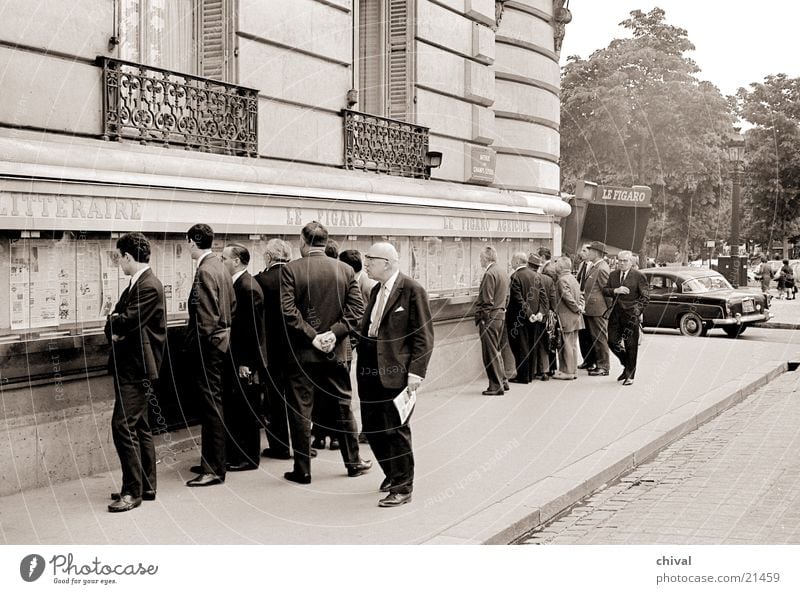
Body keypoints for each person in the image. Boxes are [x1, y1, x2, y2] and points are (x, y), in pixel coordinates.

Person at [280, 221, 371, 484]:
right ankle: (353, 462)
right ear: (325, 241)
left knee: (300, 410)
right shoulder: (344, 270)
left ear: (302, 241)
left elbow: (289, 312)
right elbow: (357, 310)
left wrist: (313, 336)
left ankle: (303, 470)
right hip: (336, 352)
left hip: (302, 354)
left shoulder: (291, 270)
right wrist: (334, 333)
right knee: (343, 406)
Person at [357, 242, 433, 507]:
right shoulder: (377, 289)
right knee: (373, 428)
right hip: (369, 370)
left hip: (397, 373)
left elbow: (423, 337)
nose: (366, 264)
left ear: (387, 262)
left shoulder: (412, 290)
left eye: (371, 259)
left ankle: (403, 487)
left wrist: (416, 373)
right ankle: (392, 473)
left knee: (395, 429)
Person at [105, 233, 166, 512]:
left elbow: (125, 320)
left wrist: (117, 324)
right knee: (139, 426)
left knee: (123, 425)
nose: (118, 263)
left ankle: (132, 491)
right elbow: (116, 322)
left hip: (137, 366)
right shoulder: (136, 284)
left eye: (119, 257)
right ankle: (146, 485)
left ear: (128, 257)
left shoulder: (148, 285)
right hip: (130, 364)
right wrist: (116, 324)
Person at [185, 223, 235, 487]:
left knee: (211, 407)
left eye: (188, 242)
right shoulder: (221, 268)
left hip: (208, 349)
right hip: (221, 344)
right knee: (216, 404)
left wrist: (204, 344)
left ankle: (213, 468)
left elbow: (205, 317)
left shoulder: (205, 270)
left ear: (194, 242)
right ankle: (214, 460)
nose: (188, 247)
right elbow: (232, 306)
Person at [221, 243, 267, 471]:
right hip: (238, 358)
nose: (222, 263)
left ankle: (248, 458)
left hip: (244, 361)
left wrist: (246, 363)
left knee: (246, 409)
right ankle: (236, 454)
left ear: (236, 260)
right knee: (238, 407)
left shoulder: (247, 288)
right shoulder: (240, 284)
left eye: (224, 258)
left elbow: (253, 331)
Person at [254, 239, 294, 460]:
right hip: (296, 348)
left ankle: (279, 446)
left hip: (270, 349)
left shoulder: (260, 281)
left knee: (274, 400)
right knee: (298, 399)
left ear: (268, 257)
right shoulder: (297, 276)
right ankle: (301, 445)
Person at [603, 250, 649, 386]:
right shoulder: (613, 275)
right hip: (615, 314)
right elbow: (605, 289)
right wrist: (615, 290)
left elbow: (645, 297)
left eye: (625, 261)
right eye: (620, 260)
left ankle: (630, 374)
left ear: (631, 262)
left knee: (631, 345)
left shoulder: (638, 276)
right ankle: (626, 364)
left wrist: (637, 311)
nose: (622, 263)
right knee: (611, 341)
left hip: (631, 316)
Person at [506, 252, 547, 384]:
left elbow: (518, 299)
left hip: (519, 319)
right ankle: (530, 374)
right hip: (535, 317)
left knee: (520, 346)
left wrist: (529, 314)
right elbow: (543, 297)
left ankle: (523, 376)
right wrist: (540, 313)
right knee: (532, 345)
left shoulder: (514, 277)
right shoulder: (536, 276)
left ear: (518, 262)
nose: (511, 262)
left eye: (512, 260)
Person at [475, 245, 510, 395]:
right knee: (497, 350)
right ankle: (503, 380)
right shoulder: (502, 272)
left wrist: (483, 318)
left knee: (490, 352)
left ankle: (495, 386)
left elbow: (486, 300)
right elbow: (507, 296)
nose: (480, 261)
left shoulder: (489, 274)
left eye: (481, 258)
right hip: (500, 315)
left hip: (490, 318)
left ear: (486, 258)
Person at [583, 241, 612, 377]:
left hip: (598, 309)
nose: (588, 252)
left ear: (596, 252)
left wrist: (608, 310)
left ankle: (603, 366)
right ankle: (598, 363)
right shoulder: (596, 266)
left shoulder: (601, 268)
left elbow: (606, 292)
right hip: (593, 308)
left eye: (590, 250)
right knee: (595, 337)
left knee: (600, 338)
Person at [552, 255, 584, 380]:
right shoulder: (573, 278)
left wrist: (576, 307)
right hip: (575, 317)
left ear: (560, 267)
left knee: (566, 345)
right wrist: (580, 307)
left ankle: (567, 371)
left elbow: (567, 297)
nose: (555, 266)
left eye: (556, 264)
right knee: (572, 345)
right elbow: (581, 295)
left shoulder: (562, 280)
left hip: (566, 317)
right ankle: (573, 370)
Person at [528, 252, 557, 380]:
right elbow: (553, 300)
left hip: (531, 316)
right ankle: (545, 370)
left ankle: (534, 370)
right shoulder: (548, 279)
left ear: (529, 265)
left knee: (533, 343)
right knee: (545, 343)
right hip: (545, 316)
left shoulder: (529, 278)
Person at [575, 245, 594, 368]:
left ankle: (593, 360)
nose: (581, 253)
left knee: (591, 333)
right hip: (580, 302)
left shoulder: (594, 266)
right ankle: (586, 359)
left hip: (589, 303)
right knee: (582, 333)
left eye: (584, 251)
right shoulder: (582, 265)